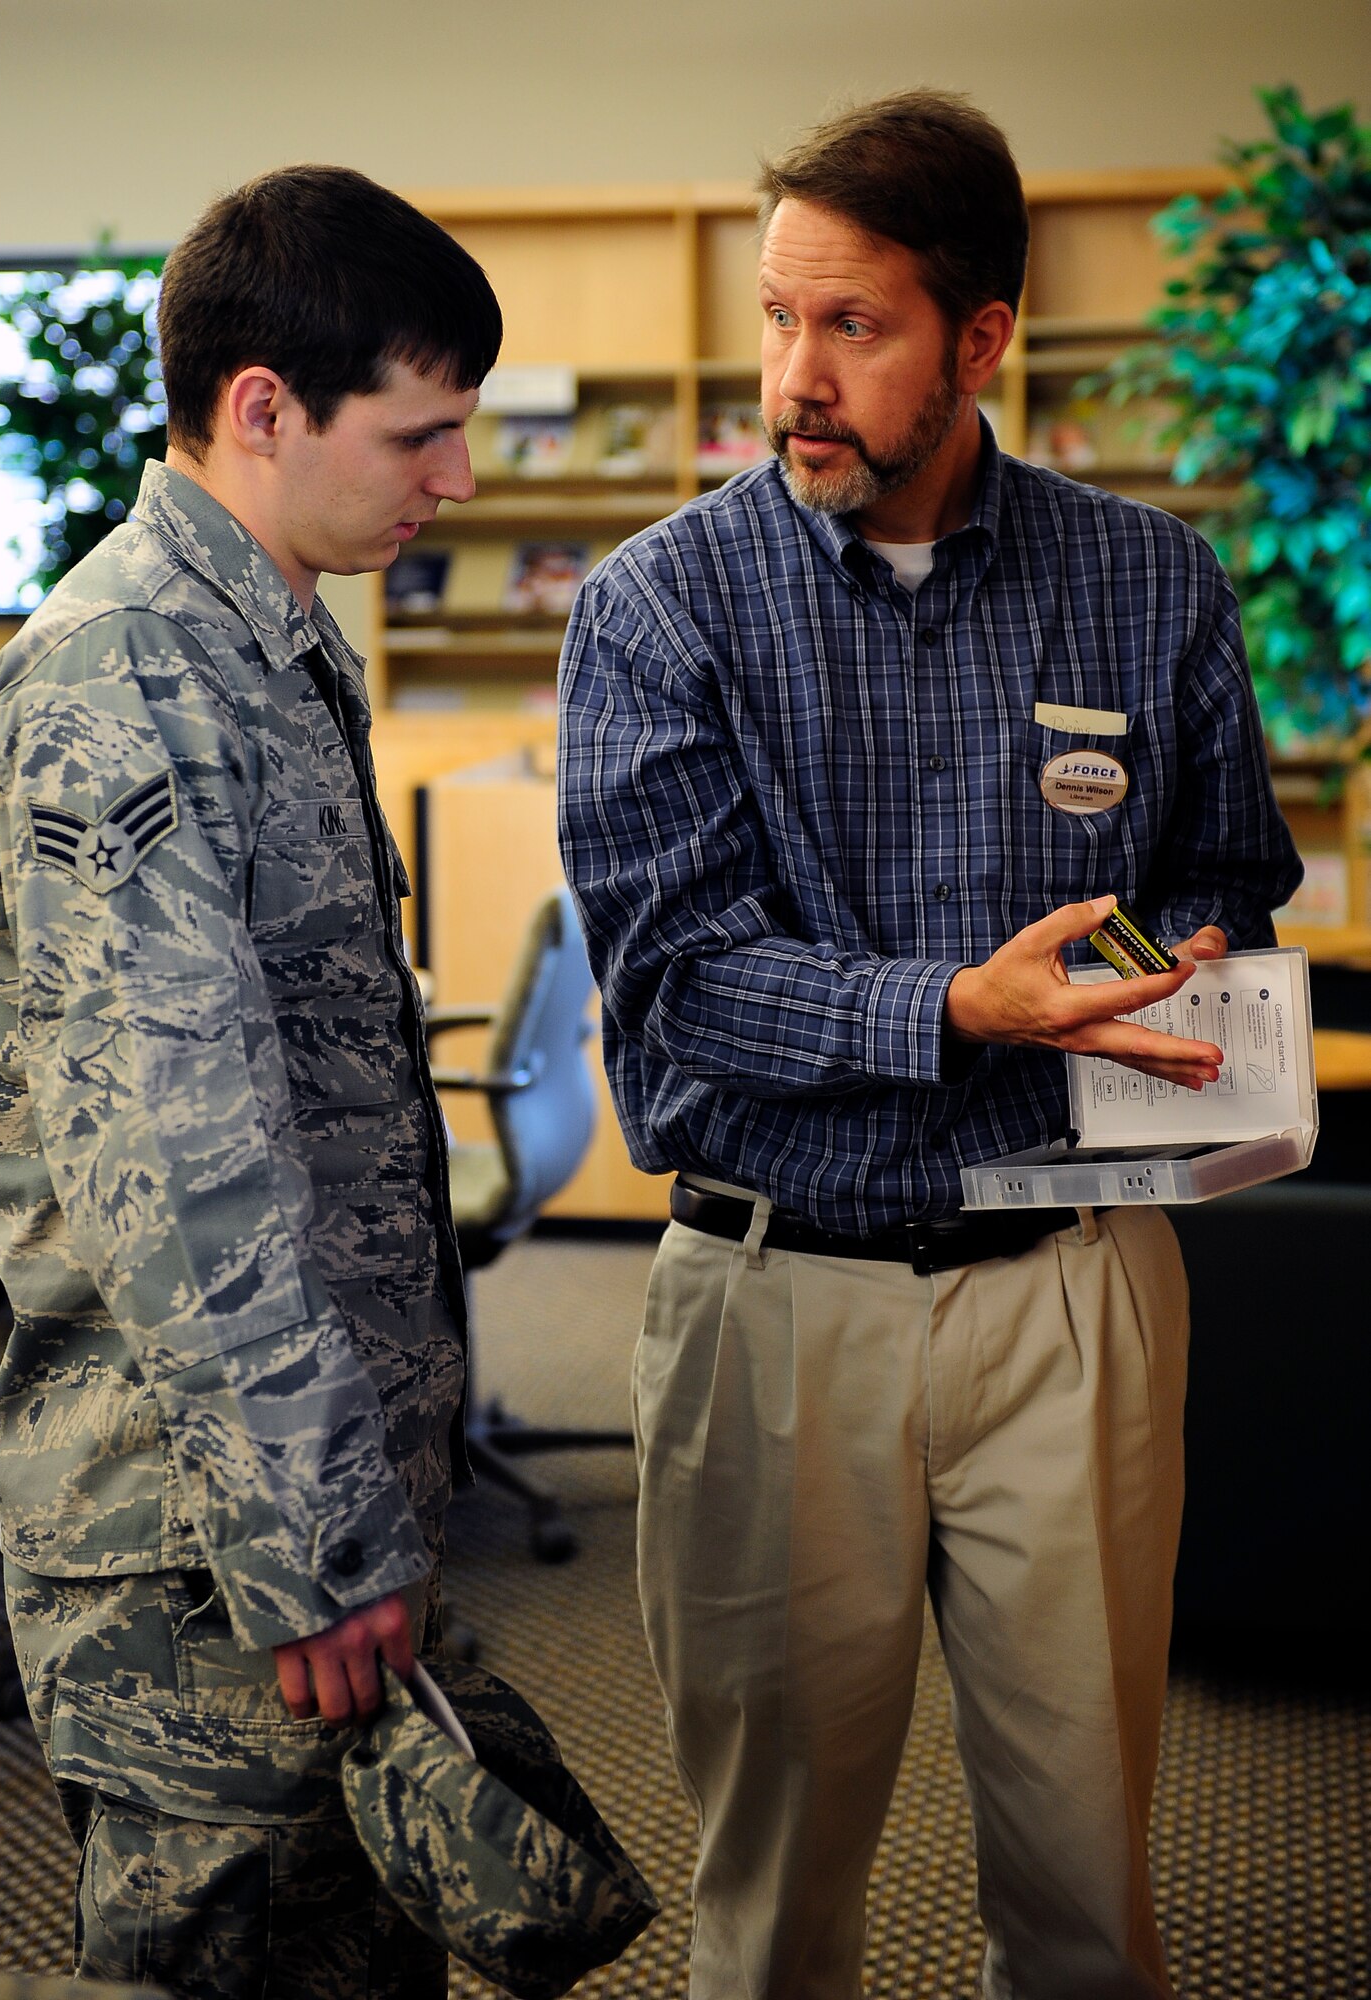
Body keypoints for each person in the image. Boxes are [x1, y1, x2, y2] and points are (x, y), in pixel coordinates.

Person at [557, 92, 1302, 2000]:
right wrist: (965, 1005)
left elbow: (1224, 871)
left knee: (1084, 1879)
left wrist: (1164, 972)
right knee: (776, 1902)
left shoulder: (1146, 581)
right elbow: (678, 988)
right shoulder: (657, 607)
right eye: (777, 320)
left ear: (980, 341)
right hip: (773, 1301)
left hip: (1072, 1296)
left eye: (852, 327)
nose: (793, 377)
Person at [0, 165, 501, 2000]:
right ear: (262, 409)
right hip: (204, 1567)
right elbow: (180, 1167)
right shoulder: (127, 681)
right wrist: (323, 1543)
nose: (458, 482)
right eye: (422, 434)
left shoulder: (258, 638)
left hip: (284, 1523)